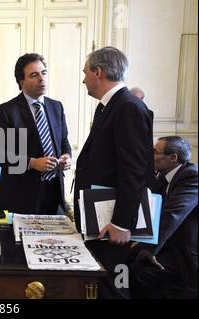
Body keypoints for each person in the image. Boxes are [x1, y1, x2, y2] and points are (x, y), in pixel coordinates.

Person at [74, 46, 155, 298]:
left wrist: (121, 223)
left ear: (98, 72)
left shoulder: (128, 107)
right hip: (100, 220)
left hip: (113, 223)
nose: (83, 78)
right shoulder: (108, 106)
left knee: (114, 288)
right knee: (102, 285)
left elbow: (133, 171)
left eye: (85, 72)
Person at [0, 53, 72, 215]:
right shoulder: (6, 112)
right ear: (22, 82)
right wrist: (32, 163)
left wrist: (67, 156)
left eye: (44, 72)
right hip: (20, 199)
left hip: (55, 195)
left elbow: (63, 141)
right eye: (34, 75)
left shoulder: (56, 107)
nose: (41, 78)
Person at [129, 136, 198, 299]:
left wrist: (149, 249)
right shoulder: (162, 175)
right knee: (121, 258)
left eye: (154, 152)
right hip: (166, 243)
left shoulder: (191, 177)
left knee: (138, 272)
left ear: (173, 157)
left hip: (183, 252)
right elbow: (147, 205)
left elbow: (172, 215)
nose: (150, 155)